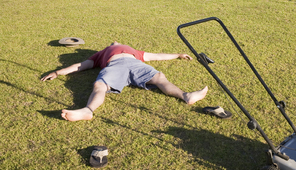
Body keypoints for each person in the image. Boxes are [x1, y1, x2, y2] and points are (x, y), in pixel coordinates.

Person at [41, 42, 208, 121]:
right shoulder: (102, 53)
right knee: (99, 86)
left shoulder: (134, 51)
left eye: (116, 42)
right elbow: (81, 65)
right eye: (113, 42)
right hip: (115, 66)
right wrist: (58, 72)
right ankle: (87, 110)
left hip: (136, 64)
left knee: (159, 78)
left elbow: (155, 56)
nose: (115, 41)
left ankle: (187, 96)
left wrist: (177, 55)